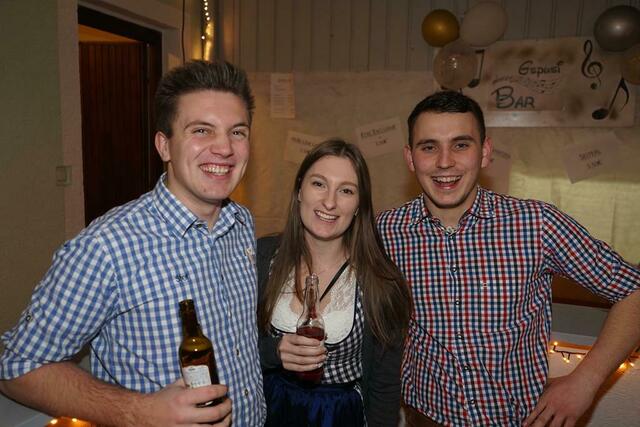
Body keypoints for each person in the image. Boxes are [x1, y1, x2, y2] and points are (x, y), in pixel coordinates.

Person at [0, 60, 266, 426]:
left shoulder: (241, 223)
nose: (224, 148)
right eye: (201, 130)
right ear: (164, 146)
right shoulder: (106, 248)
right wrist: (141, 412)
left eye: (237, 132)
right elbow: (17, 368)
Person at [376, 90, 640, 427]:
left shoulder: (537, 224)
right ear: (410, 158)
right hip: (425, 419)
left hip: (520, 420)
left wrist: (586, 381)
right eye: (429, 147)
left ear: (485, 152)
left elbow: (633, 291)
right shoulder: (385, 231)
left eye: (461, 144)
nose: (444, 162)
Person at [256, 139, 412, 427]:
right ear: (299, 190)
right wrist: (274, 351)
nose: (330, 202)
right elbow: (234, 347)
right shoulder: (262, 258)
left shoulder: (381, 282)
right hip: (268, 409)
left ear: (359, 204)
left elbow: (384, 386)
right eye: (319, 184)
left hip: (339, 416)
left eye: (346, 190)